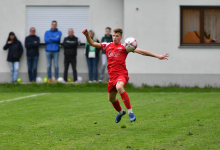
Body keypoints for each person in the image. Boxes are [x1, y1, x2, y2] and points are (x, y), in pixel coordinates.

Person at [82, 28, 169, 123]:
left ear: (121, 37)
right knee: (111, 99)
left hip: (121, 74)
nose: (114, 37)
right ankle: (120, 112)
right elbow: (92, 44)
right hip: (111, 77)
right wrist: (87, 35)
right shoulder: (107, 46)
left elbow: (141, 52)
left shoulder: (125, 46)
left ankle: (130, 112)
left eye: (117, 36)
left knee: (119, 87)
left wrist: (157, 56)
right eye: (113, 35)